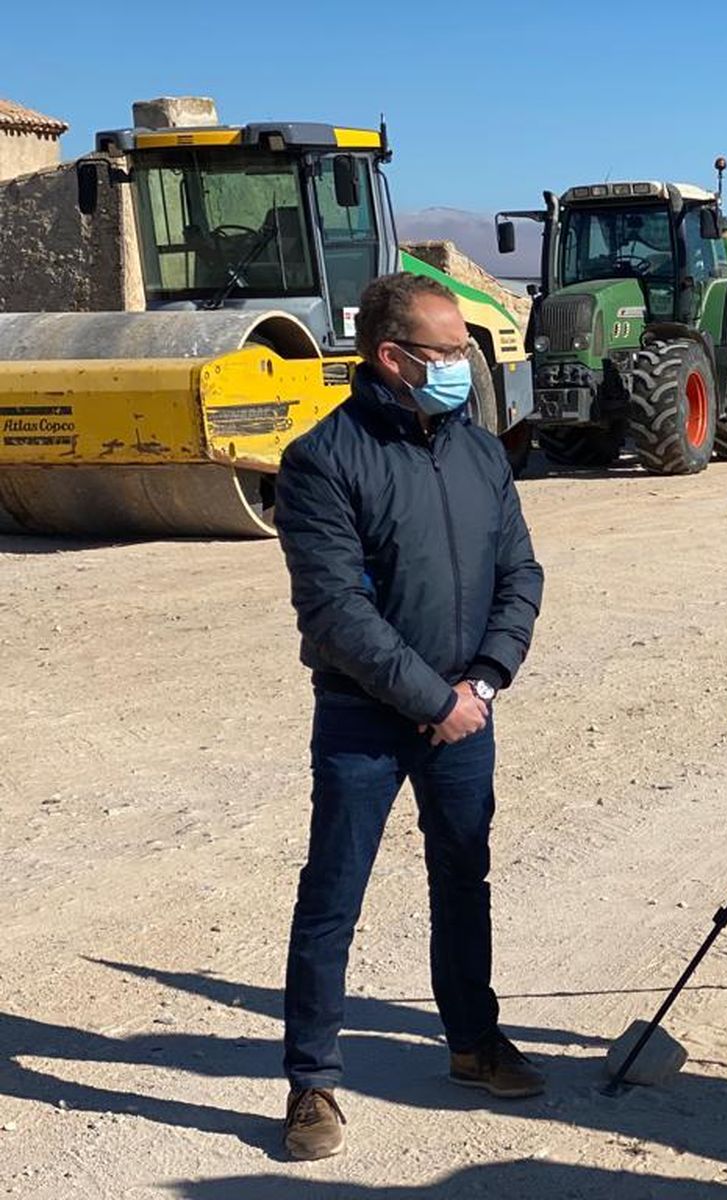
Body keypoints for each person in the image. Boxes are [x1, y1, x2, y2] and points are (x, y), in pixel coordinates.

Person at [273, 272, 546, 1161]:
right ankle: (312, 1082)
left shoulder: (479, 452)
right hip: (365, 720)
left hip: (469, 709)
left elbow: (521, 576)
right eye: (449, 351)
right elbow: (335, 614)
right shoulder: (323, 460)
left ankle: (473, 1042)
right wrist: (433, 701)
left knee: (464, 881)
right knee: (333, 899)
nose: (466, 364)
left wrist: (485, 685)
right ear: (393, 358)